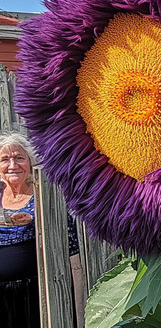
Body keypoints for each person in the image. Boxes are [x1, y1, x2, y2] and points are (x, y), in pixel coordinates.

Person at [0, 133, 81, 327]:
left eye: (19, 158)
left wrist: (79, 312)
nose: (12, 165)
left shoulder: (45, 197)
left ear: (30, 161)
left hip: (38, 292)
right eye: (5, 160)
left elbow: (72, 252)